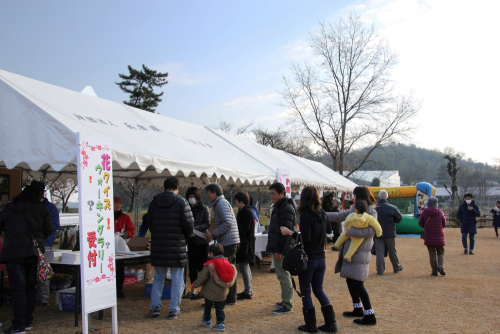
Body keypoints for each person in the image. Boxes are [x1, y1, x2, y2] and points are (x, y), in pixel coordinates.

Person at [280, 186, 337, 333]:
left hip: (309, 259)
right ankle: (331, 323)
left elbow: (306, 238)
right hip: (321, 258)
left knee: (305, 292)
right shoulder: (322, 213)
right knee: (318, 290)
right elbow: (329, 232)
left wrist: (290, 233)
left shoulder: (306, 215)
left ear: (303, 198)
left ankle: (311, 325)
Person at [0, 185, 53, 334]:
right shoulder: (41, 208)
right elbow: (49, 228)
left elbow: (1, 225)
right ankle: (27, 321)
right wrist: (38, 235)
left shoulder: (10, 207)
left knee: (18, 289)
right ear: (38, 194)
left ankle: (18, 325)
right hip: (33, 252)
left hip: (13, 252)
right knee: (30, 287)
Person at [326, 185, 378, 326]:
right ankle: (358, 308)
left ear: (360, 196)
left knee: (358, 283)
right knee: (350, 280)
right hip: (351, 252)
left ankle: (370, 315)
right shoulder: (352, 209)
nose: (352, 198)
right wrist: (321, 214)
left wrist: (351, 232)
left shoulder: (371, 211)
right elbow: (339, 216)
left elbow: (371, 231)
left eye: (354, 196)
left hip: (360, 253)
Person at [144, 177, 194, 319]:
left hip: (159, 244)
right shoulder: (181, 202)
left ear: (164, 187)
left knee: (158, 277)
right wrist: (186, 236)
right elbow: (189, 224)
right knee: (177, 278)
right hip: (176, 245)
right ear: (177, 187)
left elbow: (149, 221)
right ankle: (174, 309)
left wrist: (157, 233)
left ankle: (155, 307)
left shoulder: (154, 202)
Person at [204, 184, 240, 305]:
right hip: (230, 241)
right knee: (230, 270)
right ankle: (231, 298)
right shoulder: (221, 203)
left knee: (224, 271)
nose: (207, 196)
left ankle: (222, 299)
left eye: (208, 193)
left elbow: (227, 223)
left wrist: (213, 234)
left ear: (215, 193)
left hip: (228, 242)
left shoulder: (221, 204)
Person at [266, 182, 296, 315]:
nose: (271, 196)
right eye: (270, 193)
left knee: (284, 275)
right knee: (283, 275)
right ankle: (285, 300)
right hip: (281, 246)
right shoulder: (281, 207)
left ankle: (287, 304)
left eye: (274, 193)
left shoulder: (285, 208)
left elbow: (285, 232)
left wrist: (279, 250)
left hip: (283, 248)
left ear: (282, 193)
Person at [192, 243, 237, 332]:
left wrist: (194, 284)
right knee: (220, 309)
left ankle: (206, 320)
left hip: (210, 293)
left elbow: (202, 278)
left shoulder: (210, 264)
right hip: (222, 293)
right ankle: (220, 323)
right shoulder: (226, 263)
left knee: (207, 308)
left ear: (211, 253)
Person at [30, 181, 60, 306]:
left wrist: (40, 232)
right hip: (29, 243)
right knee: (31, 270)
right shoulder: (29, 206)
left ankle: (43, 297)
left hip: (45, 244)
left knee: (43, 271)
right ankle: (31, 296)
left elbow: (55, 226)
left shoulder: (50, 207)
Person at [183, 187, 210, 299]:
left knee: (202, 267)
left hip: (202, 241)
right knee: (192, 267)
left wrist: (195, 229)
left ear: (198, 197)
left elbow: (207, 223)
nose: (191, 199)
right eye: (190, 197)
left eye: (193, 197)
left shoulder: (204, 208)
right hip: (191, 242)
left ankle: (203, 290)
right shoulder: (186, 208)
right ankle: (193, 290)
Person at [374, 190, 403, 275]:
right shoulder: (393, 207)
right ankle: (396, 267)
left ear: (378, 197)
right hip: (390, 233)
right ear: (387, 197)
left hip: (378, 233)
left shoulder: (374, 208)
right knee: (392, 251)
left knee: (379, 252)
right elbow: (399, 219)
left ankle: (380, 270)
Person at [234, 192, 255, 300]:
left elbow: (245, 228)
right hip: (246, 243)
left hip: (245, 244)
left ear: (240, 201)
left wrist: (236, 223)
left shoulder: (245, 212)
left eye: (236, 200)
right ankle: (248, 290)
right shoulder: (245, 210)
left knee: (244, 267)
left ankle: (248, 291)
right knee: (245, 268)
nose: (235, 202)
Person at [113, 195, 135, 298]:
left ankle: (119, 290)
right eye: (115, 203)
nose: (117, 205)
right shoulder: (106, 216)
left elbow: (131, 230)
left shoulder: (125, 217)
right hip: (108, 246)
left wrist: (125, 234)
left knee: (120, 268)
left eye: (119, 203)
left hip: (120, 247)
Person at [418, 197, 446, 276]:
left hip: (429, 235)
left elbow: (420, 224)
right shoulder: (440, 212)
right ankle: (440, 266)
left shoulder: (424, 212)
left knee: (432, 254)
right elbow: (444, 224)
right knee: (441, 252)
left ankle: (434, 271)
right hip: (439, 235)